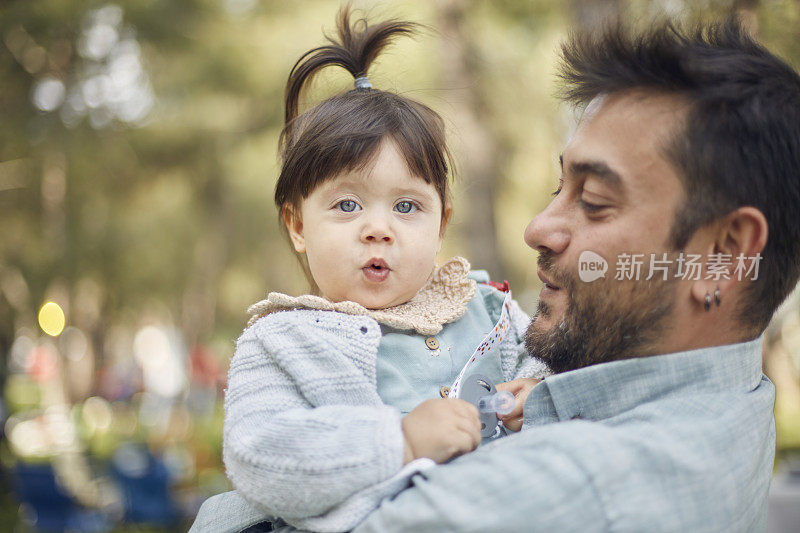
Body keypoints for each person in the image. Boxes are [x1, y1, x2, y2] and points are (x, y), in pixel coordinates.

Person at [345, 17, 800, 532]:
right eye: (559, 186)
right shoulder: (737, 397)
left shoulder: (549, 492)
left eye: (594, 201)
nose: (538, 228)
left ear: (725, 252)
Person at [190, 7, 546, 533]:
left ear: (441, 223)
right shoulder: (282, 341)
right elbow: (259, 455)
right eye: (347, 205)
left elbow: (548, 362)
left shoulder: (486, 307)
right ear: (298, 226)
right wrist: (397, 442)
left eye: (407, 207)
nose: (378, 229)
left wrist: (537, 394)